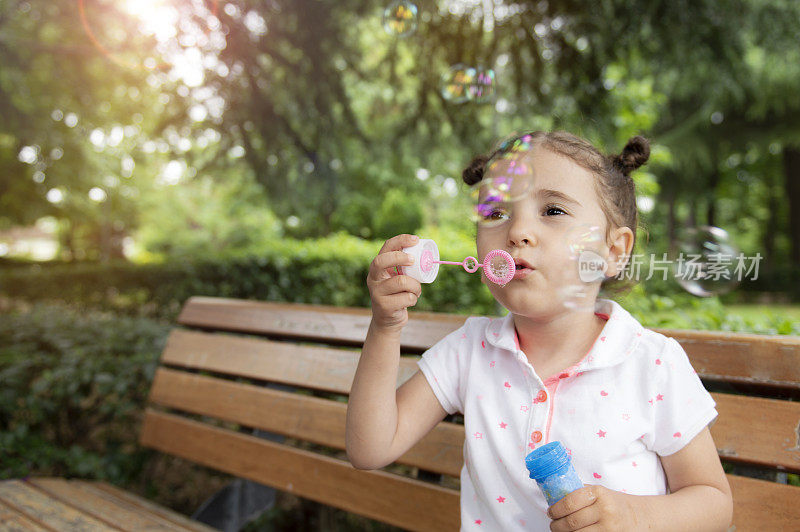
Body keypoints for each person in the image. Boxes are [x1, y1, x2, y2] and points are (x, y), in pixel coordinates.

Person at [345, 131, 733, 531]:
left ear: (613, 252)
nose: (517, 231)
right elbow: (370, 448)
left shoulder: (650, 364)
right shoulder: (469, 351)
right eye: (496, 212)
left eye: (552, 210)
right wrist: (385, 327)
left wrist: (635, 516)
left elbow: (715, 503)